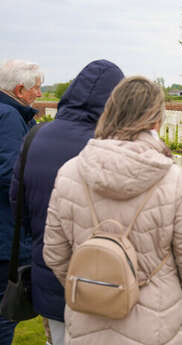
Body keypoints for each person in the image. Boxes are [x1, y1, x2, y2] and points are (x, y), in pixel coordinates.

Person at [43, 76, 182, 345]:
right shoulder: (172, 179)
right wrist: (176, 302)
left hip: (88, 318)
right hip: (156, 324)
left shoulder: (69, 173)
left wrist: (94, 287)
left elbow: (54, 253)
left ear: (110, 112)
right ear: (156, 121)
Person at [9, 60, 124, 345]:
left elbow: (17, 203)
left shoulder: (35, 135)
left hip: (46, 268)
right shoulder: (108, 146)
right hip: (99, 277)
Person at [0, 59, 43, 345]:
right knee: (6, 311)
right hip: (6, 234)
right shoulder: (9, 118)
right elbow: (11, 172)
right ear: (20, 89)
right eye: (36, 88)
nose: (39, 94)